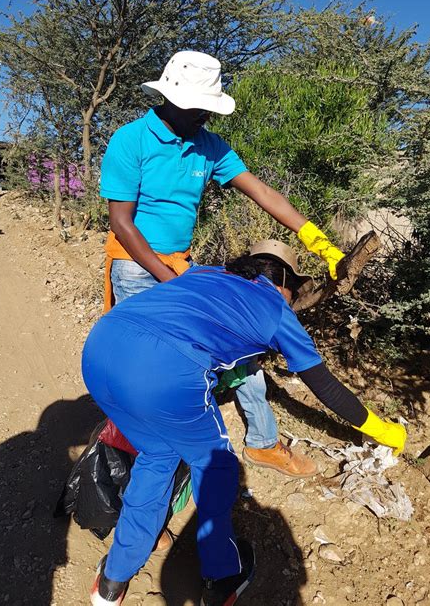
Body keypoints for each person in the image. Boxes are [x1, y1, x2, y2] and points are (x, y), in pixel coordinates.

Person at [83, 240, 406, 606]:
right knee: (216, 464)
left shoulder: (210, 272)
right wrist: (382, 429)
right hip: (162, 373)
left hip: (100, 348)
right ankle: (222, 577)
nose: (292, 297)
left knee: (157, 455)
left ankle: (112, 580)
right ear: (282, 278)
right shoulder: (276, 310)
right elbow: (326, 387)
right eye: (293, 288)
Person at [100, 50, 345, 478]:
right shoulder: (131, 140)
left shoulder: (209, 145)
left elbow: (263, 193)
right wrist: (170, 281)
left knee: (238, 348)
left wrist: (318, 240)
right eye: (198, 108)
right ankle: (143, 481)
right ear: (171, 98)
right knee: (152, 377)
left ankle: (264, 443)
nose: (204, 117)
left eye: (208, 109)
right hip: (137, 268)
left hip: (180, 265)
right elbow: (121, 223)